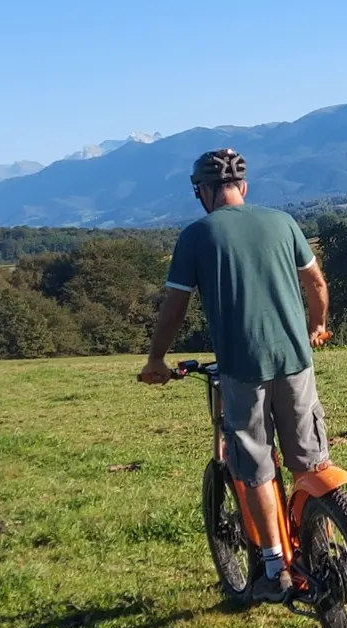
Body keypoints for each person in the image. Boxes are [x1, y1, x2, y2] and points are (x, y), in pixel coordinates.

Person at [141, 147, 332, 604]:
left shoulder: (196, 237)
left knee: (255, 467)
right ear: (243, 188)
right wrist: (316, 326)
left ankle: (273, 568)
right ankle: (322, 546)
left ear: (202, 193)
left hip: (242, 368)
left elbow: (175, 307)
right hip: (297, 361)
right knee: (309, 460)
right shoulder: (283, 222)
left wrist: (156, 360)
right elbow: (317, 285)